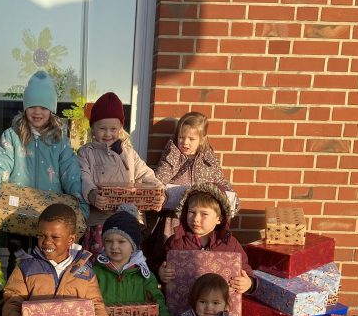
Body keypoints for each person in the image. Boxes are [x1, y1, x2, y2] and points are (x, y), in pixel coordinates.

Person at [0, 70, 88, 272]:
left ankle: (43, 299)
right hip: (17, 211)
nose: (37, 112)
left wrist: (81, 207)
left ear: (52, 109)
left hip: (50, 215)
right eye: (32, 106)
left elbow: (71, 173)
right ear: (25, 107)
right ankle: (14, 299)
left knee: (48, 261)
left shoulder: (60, 141)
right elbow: (0, 165)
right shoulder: (12, 136)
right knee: (18, 259)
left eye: (43, 107)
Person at [145, 112, 238, 262]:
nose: (185, 143)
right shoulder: (171, 156)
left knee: (196, 257)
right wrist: (173, 156)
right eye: (181, 137)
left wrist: (231, 202)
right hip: (172, 220)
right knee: (168, 254)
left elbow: (223, 186)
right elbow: (157, 182)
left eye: (191, 139)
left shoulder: (209, 161)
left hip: (199, 220)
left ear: (202, 140)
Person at [78, 92, 164, 256]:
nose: (108, 134)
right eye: (102, 128)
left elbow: (146, 175)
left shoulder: (129, 154)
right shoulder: (86, 153)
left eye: (113, 129)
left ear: (121, 128)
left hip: (128, 220)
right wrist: (92, 194)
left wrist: (159, 192)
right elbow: (84, 177)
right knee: (100, 261)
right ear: (93, 129)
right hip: (100, 221)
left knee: (128, 262)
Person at [156, 182, 256, 295]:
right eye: (192, 212)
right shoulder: (176, 242)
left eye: (204, 214)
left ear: (219, 219)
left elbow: (246, 271)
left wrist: (248, 283)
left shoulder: (230, 244)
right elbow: (158, 264)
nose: (196, 219)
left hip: (219, 308)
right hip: (183, 305)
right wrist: (160, 272)